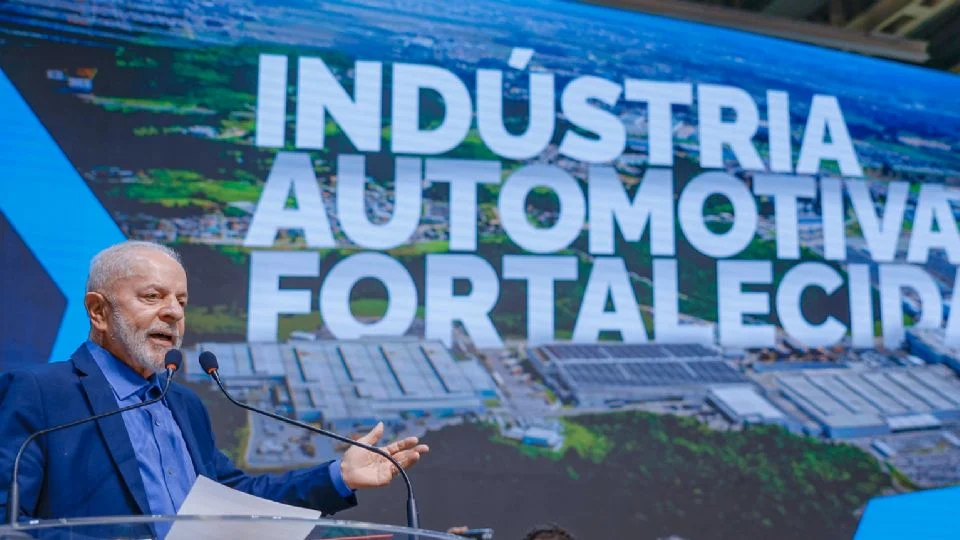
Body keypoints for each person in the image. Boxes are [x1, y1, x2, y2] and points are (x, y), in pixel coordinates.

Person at [0, 241, 429, 527]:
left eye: (181, 301)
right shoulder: (39, 393)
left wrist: (339, 475)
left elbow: (233, 497)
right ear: (98, 312)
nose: (173, 312)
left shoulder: (183, 405)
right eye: (153, 297)